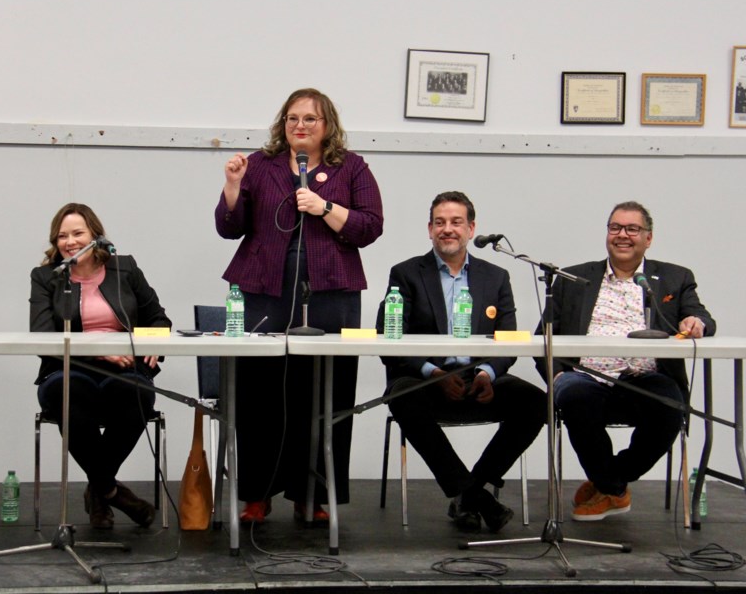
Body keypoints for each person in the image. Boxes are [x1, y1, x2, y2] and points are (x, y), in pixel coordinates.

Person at [215, 88, 384, 523]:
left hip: (331, 292)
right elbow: (229, 227)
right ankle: (257, 493)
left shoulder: (352, 167)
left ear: (327, 125)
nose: (300, 126)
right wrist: (233, 186)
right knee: (259, 393)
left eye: (310, 118)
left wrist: (326, 207)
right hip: (263, 289)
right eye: (292, 119)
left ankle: (313, 496)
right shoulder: (259, 165)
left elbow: (370, 226)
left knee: (324, 393)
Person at [376, 191, 545, 532]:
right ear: (429, 229)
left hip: (478, 378)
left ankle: (470, 493)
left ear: (471, 228)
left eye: (456, 222)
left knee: (536, 403)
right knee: (402, 394)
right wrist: (433, 372)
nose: (447, 229)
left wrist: (487, 372)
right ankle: (477, 496)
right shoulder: (407, 273)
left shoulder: (495, 277)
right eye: (440, 223)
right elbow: (388, 338)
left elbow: (507, 340)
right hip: (426, 379)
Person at [537, 201, 715, 521]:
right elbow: (543, 338)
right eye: (615, 228)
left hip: (644, 375)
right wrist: (557, 377)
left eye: (632, 229)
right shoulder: (573, 278)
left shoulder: (675, 277)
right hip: (587, 374)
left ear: (648, 238)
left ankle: (609, 483)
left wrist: (696, 323)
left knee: (671, 406)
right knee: (574, 396)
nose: (622, 235)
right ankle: (613, 489)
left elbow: (700, 316)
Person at [30, 203, 170, 530]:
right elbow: (42, 334)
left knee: (136, 395)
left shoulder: (126, 268)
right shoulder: (46, 277)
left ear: (96, 236)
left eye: (78, 233)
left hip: (125, 368)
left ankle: (98, 490)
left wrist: (151, 341)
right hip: (67, 368)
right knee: (69, 394)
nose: (70, 241)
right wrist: (98, 351)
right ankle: (111, 491)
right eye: (62, 236)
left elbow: (158, 319)